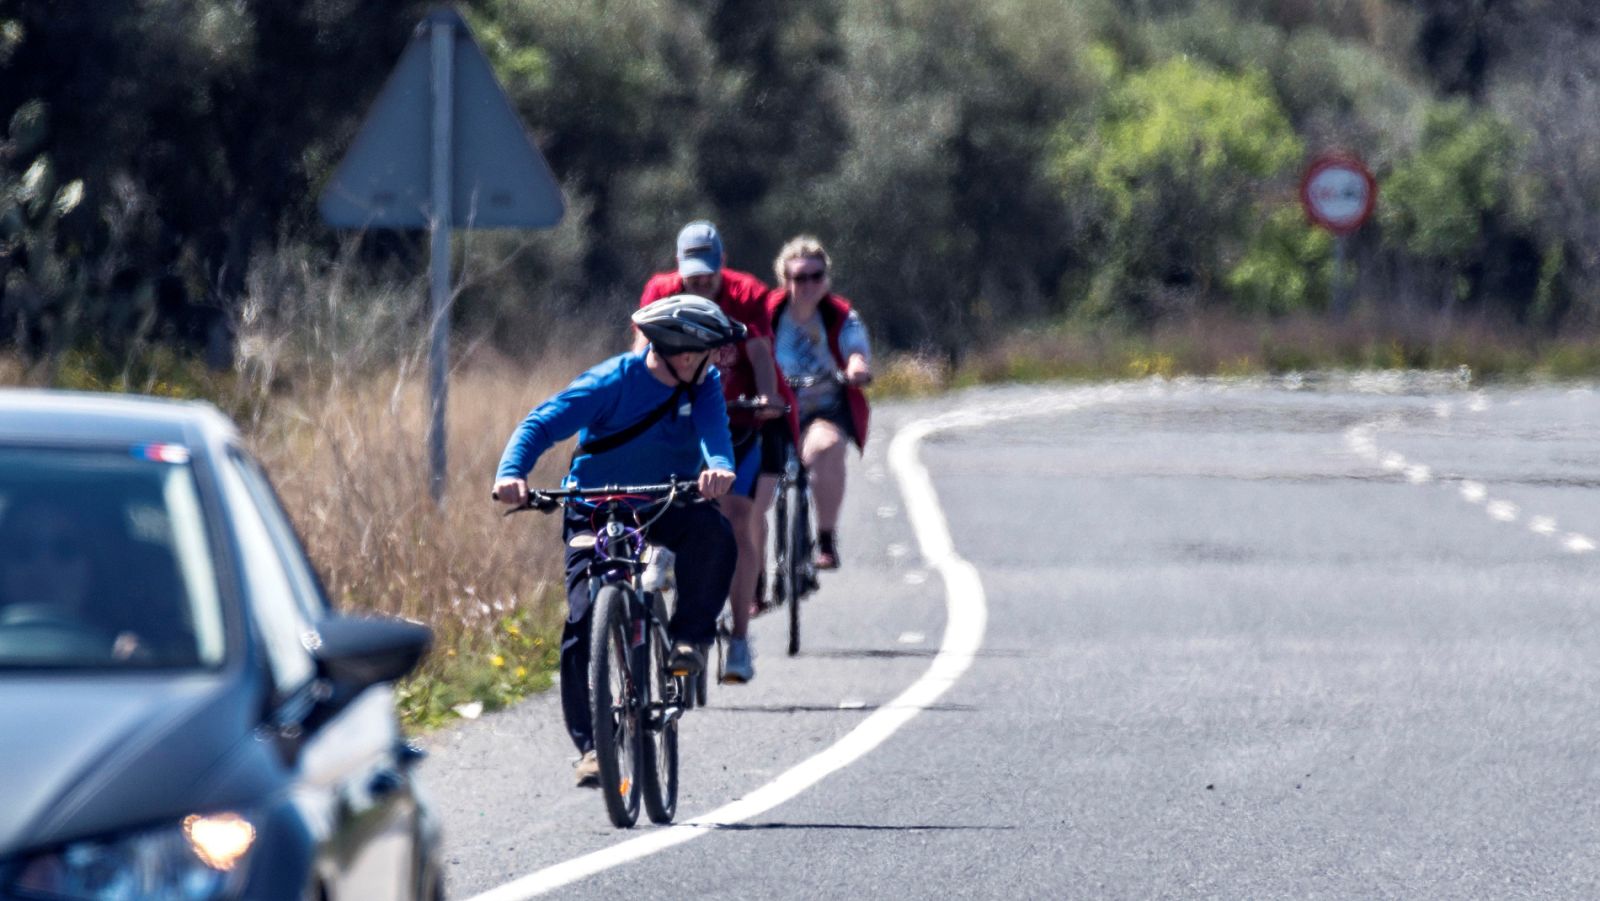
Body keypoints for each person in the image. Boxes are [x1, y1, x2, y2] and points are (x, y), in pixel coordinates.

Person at [493, 295, 744, 788]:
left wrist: (718, 468)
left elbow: (715, 436)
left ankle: (690, 638)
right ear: (682, 351)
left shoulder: (705, 385)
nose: (714, 360)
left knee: (713, 534)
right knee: (583, 617)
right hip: (595, 506)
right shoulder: (612, 381)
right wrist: (511, 474)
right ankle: (591, 746)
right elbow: (540, 424)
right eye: (707, 351)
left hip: (665, 503)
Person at [637, 221, 786, 684]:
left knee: (738, 518)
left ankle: (739, 639)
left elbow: (760, 356)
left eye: (708, 274)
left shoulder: (746, 293)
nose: (700, 283)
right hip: (680, 423)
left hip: (737, 423)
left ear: (722, 265)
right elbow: (641, 349)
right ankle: (659, 570)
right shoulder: (661, 289)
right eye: (692, 274)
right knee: (661, 500)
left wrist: (764, 400)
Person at [767, 236, 873, 570]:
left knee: (827, 446)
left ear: (826, 278)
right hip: (774, 409)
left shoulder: (839, 315)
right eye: (800, 277)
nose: (809, 284)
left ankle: (825, 537)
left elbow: (856, 349)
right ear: (785, 281)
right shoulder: (768, 313)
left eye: (816, 275)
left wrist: (856, 367)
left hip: (821, 409)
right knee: (746, 492)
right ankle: (753, 583)